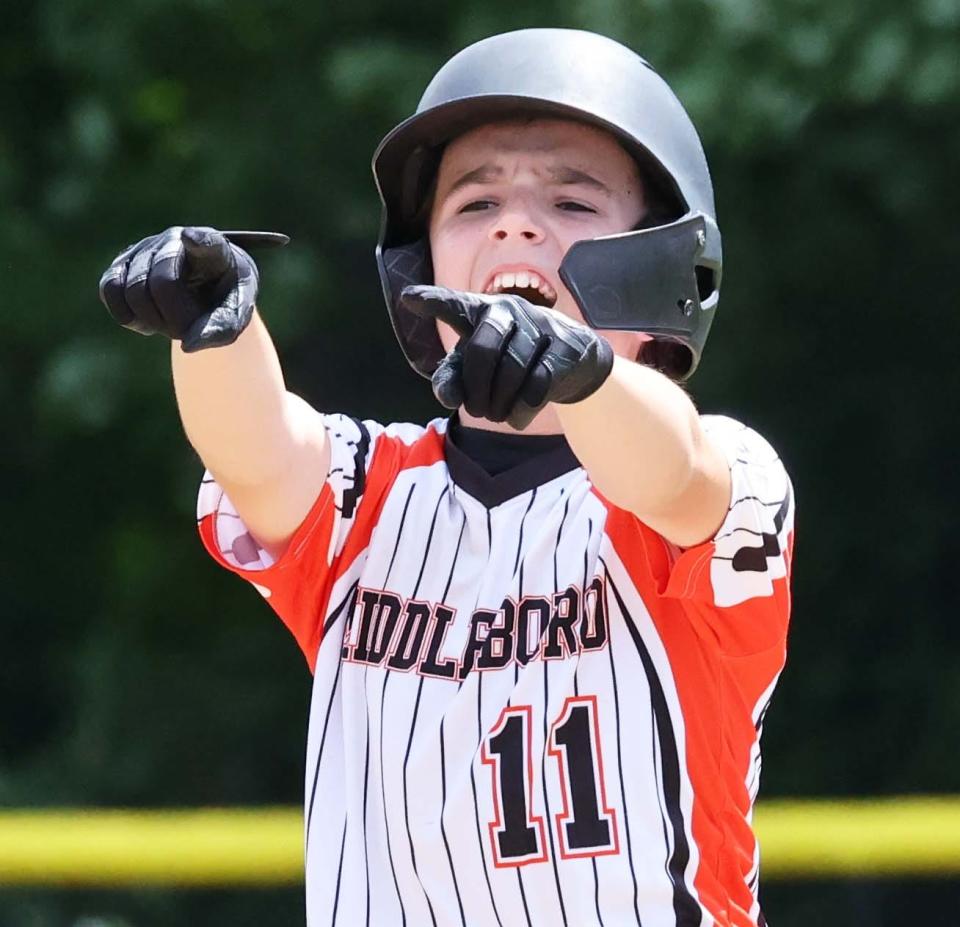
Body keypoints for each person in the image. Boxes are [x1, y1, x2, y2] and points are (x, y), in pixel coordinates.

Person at [99, 28, 794, 927]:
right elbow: (261, 452)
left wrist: (581, 373)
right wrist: (214, 329)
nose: (514, 223)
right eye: (474, 203)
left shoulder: (719, 472)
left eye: (572, 201)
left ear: (659, 265)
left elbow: (676, 475)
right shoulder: (372, 497)